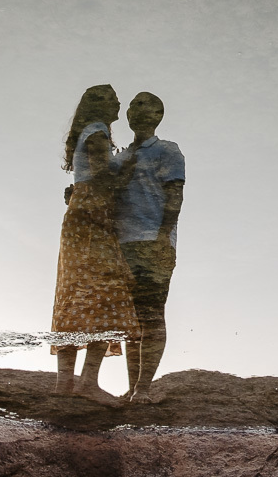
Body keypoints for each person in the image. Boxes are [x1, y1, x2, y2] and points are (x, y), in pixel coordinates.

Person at [50, 84, 140, 403]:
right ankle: (87, 383)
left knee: (74, 294)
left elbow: (86, 179)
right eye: (113, 98)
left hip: (79, 216)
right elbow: (103, 177)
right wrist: (131, 168)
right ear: (101, 105)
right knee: (108, 295)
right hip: (94, 218)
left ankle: (65, 385)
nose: (118, 102)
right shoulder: (99, 132)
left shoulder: (88, 132)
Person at [113, 91, 185, 403]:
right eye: (133, 104)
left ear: (158, 114)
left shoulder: (168, 150)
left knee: (152, 314)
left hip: (153, 242)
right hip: (120, 246)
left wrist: (162, 237)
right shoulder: (118, 158)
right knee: (130, 319)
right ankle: (133, 388)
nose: (136, 108)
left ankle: (143, 388)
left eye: (144, 103)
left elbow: (175, 195)